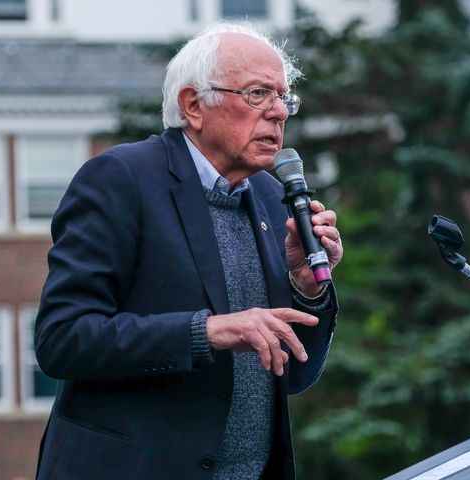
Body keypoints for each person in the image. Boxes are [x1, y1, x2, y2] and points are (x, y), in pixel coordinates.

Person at [34, 21, 342, 480]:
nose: (279, 112)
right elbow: (63, 340)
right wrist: (207, 331)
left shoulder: (269, 197)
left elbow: (295, 375)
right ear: (194, 106)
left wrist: (305, 289)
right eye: (258, 94)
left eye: (283, 98)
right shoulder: (122, 179)